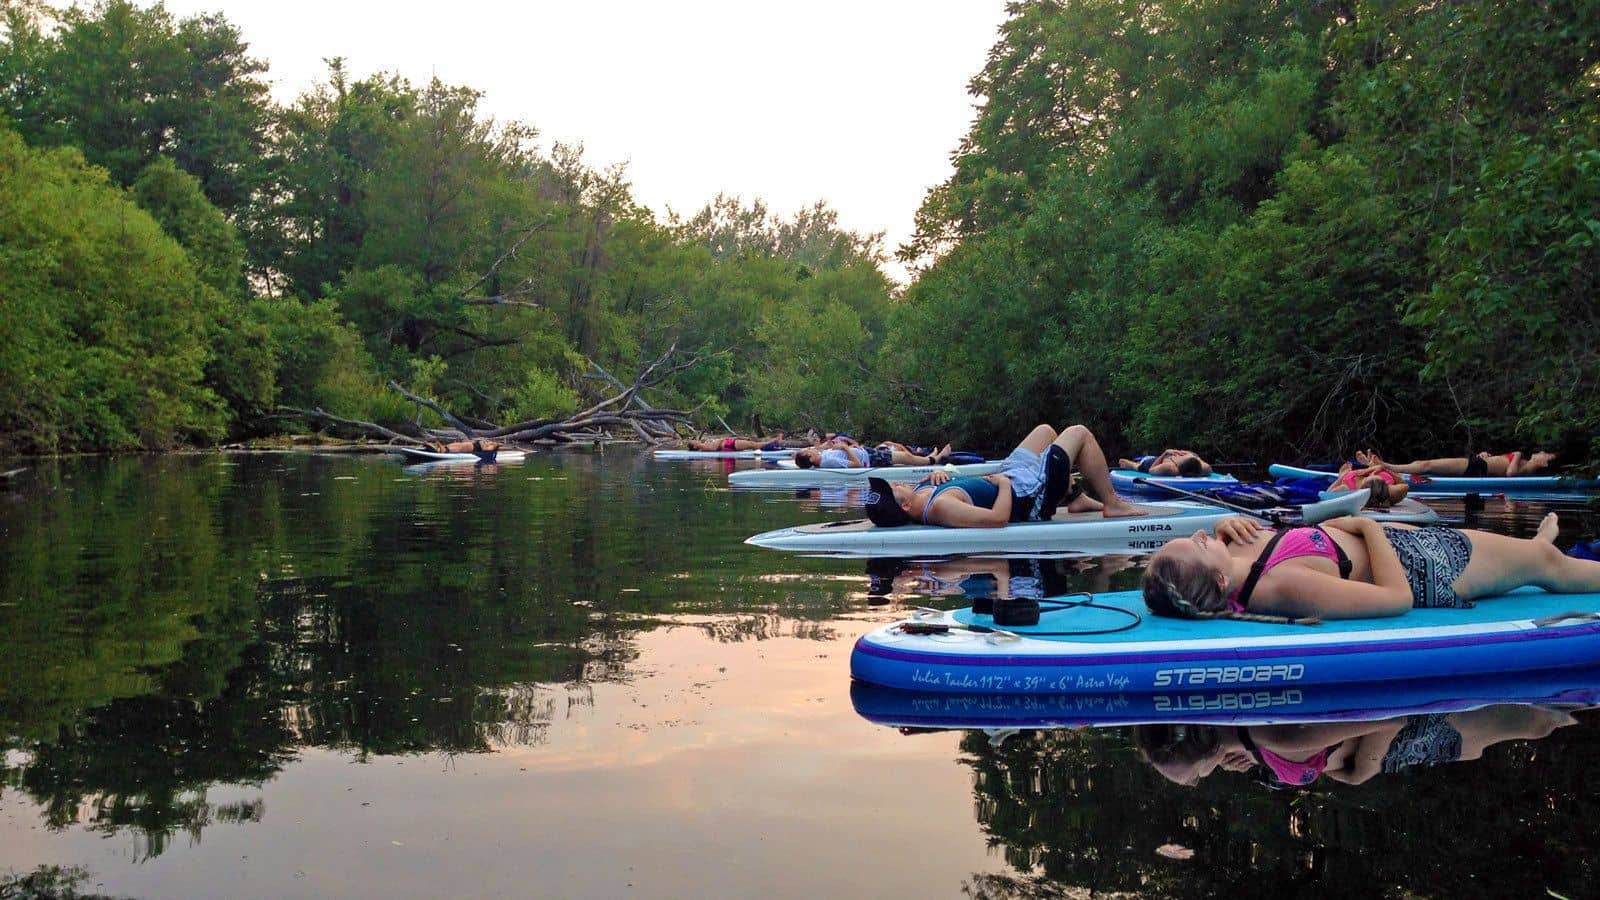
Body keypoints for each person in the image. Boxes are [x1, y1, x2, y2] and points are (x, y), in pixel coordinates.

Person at [1142, 511, 1600, 623]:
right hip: (1435, 566)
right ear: (1219, 580)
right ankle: (1539, 550)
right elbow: (1396, 600)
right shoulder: (1282, 585)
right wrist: (1368, 526)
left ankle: (1533, 544)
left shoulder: (1236, 557)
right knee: (1549, 566)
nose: (1205, 534)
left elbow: (1276, 541)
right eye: (1199, 543)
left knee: (1532, 554)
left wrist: (1223, 529)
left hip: (1410, 541)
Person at [1134, 705, 1577, 788]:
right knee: (1537, 725)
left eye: (1193, 777)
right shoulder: (1248, 746)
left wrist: (1361, 770)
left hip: (1417, 734)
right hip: (1407, 749)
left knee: (1538, 724)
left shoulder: (1271, 736)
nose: (1202, 780)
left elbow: (1390, 718)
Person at [863, 423, 1147, 528]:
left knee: (1045, 431)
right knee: (1078, 433)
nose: (895, 483)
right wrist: (1001, 485)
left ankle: (1078, 498)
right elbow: (997, 520)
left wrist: (938, 473)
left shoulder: (923, 495)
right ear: (904, 506)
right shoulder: (940, 507)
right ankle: (1112, 503)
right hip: (1027, 495)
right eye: (893, 489)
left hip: (1011, 477)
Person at [1356, 448, 1557, 478]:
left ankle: (1384, 466)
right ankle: (1383, 465)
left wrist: (1517, 454)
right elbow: (1504, 465)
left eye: (1545, 455)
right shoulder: (1521, 461)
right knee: (1425, 464)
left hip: (1477, 468)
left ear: (1545, 465)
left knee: (1426, 465)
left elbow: (1510, 475)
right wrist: (1486, 455)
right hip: (1479, 465)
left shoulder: (1525, 466)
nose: (1540, 452)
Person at [793, 438, 952, 469]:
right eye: (808, 451)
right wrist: (846, 448)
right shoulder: (826, 463)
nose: (810, 449)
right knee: (906, 458)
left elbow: (828, 449)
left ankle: (928, 458)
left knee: (894, 449)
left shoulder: (823, 456)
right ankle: (935, 460)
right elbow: (856, 465)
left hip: (867, 452)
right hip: (869, 459)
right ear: (811, 458)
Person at [1325, 462, 1410, 507]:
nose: (1373, 474)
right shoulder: (1388, 490)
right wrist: (1382, 468)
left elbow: (1326, 495)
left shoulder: (1347, 488)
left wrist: (1341, 477)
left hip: (1344, 479)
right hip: (1374, 471)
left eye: (1372, 476)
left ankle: (1369, 463)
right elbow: (1405, 485)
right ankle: (1370, 463)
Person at [1117, 449, 1212, 477]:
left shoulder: (1204, 468)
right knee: (1140, 467)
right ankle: (1132, 464)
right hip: (1161, 460)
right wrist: (1164, 454)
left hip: (1186, 455)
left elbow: (1197, 459)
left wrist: (1192, 455)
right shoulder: (1170, 468)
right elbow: (1151, 470)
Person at [681, 433, 786, 452]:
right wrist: (720, 440)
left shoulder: (704, 444)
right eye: (693, 441)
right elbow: (713, 449)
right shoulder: (703, 448)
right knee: (753, 445)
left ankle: (773, 444)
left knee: (752, 443)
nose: (695, 440)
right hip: (728, 445)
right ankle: (775, 441)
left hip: (729, 442)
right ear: (695, 446)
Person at [428, 438, 499, 452]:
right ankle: (442, 448)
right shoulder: (489, 442)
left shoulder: (493, 446)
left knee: (460, 447)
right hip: (472, 444)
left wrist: (481, 442)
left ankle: (444, 450)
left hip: (473, 447)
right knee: (457, 444)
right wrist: (469, 440)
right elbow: (478, 441)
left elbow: (484, 449)